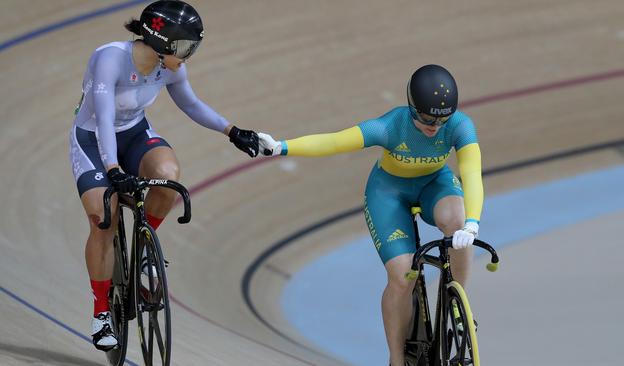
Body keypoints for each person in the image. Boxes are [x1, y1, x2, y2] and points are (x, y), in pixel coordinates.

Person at [258, 64, 483, 365]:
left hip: (434, 184)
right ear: (412, 107)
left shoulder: (459, 125)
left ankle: (458, 306)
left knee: (458, 225)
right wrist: (281, 147)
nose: (435, 125)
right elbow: (335, 141)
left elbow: (471, 172)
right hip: (388, 193)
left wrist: (472, 222)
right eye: (427, 117)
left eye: (442, 118)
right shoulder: (391, 126)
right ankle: (396, 358)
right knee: (402, 276)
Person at [68, 0, 260, 351]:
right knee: (102, 220)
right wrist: (112, 169)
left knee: (168, 177)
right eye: (186, 46)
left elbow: (191, 104)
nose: (189, 55)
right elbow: (105, 118)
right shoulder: (109, 59)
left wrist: (231, 131)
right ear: (162, 41)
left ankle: (144, 249)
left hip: (135, 134)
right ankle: (100, 314)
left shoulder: (169, 67)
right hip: (94, 140)